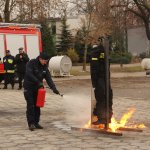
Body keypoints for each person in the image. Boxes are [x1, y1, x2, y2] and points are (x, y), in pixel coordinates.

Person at [23, 52, 60, 131]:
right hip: (28, 88)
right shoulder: (31, 63)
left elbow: (48, 78)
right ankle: (31, 123)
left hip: (38, 88)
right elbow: (29, 74)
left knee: (37, 105)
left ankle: (36, 123)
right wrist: (38, 82)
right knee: (31, 105)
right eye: (45, 61)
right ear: (40, 59)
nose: (46, 62)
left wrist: (54, 88)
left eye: (47, 61)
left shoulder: (44, 67)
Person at [90, 41, 113, 126]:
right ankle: (108, 117)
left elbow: (94, 68)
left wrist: (94, 82)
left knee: (101, 97)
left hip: (100, 79)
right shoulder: (105, 52)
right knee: (108, 96)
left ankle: (102, 118)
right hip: (106, 78)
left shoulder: (95, 53)